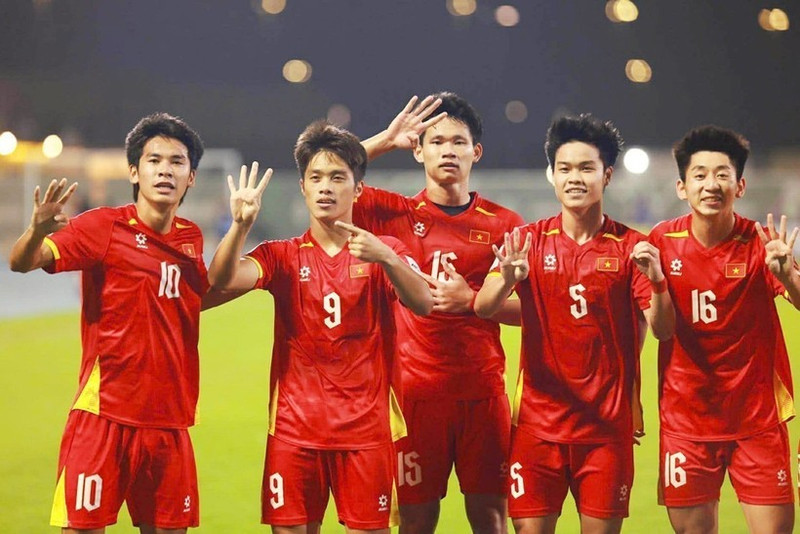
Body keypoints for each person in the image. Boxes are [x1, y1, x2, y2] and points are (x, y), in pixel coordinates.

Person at [207, 121, 433, 534]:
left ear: (358, 189)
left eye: (337, 177)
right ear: (303, 188)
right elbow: (221, 280)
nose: (326, 187)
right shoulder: (282, 256)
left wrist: (388, 258)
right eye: (316, 178)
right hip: (295, 434)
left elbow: (424, 302)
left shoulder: (384, 252)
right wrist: (240, 226)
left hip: (366, 434)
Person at [475, 114, 675, 534]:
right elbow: (484, 306)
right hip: (536, 429)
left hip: (605, 431)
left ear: (608, 175)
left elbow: (663, 329)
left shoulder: (633, 247)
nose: (575, 178)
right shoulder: (527, 241)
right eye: (564, 169)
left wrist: (657, 281)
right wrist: (508, 277)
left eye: (586, 168)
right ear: (551, 175)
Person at [9, 113, 207, 534]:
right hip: (104, 417)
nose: (165, 170)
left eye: (177, 162)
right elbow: (23, 262)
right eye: (154, 160)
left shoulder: (191, 238)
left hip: (169, 422)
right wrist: (34, 231)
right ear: (134, 170)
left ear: (191, 177)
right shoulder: (102, 227)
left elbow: (193, 297)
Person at [357, 93, 525, 534]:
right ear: (418, 150)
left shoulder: (505, 224)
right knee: (416, 520)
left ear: (476, 151)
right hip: (415, 396)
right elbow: (330, 177)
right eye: (436, 141)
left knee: (490, 516)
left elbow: (532, 310)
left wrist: (472, 301)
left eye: (458, 141)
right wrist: (381, 141)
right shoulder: (392, 213)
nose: (448, 150)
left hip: (482, 393)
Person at [648, 125, 800, 534]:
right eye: (699, 175)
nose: (711, 184)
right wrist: (659, 282)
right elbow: (659, 330)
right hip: (686, 423)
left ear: (740, 185)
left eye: (722, 174)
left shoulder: (760, 242)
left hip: (758, 420)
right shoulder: (663, 240)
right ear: (682, 187)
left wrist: (787, 275)